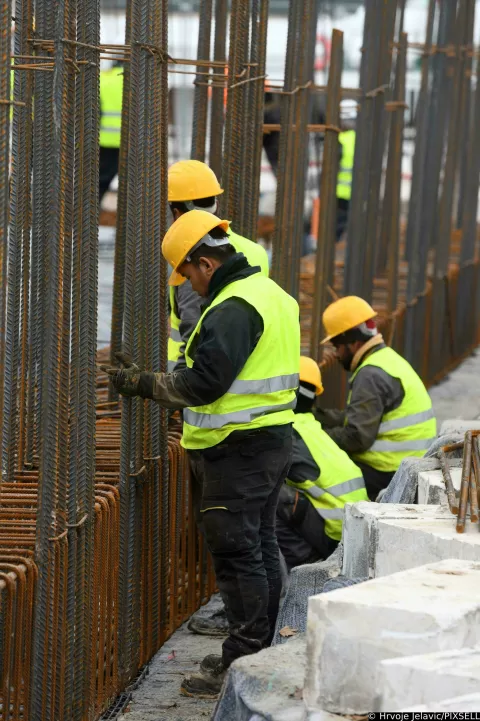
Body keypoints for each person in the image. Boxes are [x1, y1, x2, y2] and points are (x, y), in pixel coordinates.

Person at [101, 209, 300, 698]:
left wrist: (143, 384)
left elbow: (204, 384)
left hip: (239, 449)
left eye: (187, 272)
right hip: (268, 442)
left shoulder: (233, 307)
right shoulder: (270, 294)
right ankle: (262, 645)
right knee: (259, 545)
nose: (187, 283)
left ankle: (244, 661)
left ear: (206, 263)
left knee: (238, 553)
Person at [316, 296, 437, 500]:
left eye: (336, 345)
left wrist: (315, 438)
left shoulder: (370, 374)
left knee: (317, 472)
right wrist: (319, 417)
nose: (335, 354)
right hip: (410, 466)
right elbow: (361, 416)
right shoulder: (387, 360)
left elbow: (356, 437)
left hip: (390, 473)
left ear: (352, 342)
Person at [167, 159, 269, 372]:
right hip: (247, 370)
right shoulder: (254, 250)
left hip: (200, 383)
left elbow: (194, 332)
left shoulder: (193, 257)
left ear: (176, 212)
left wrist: (177, 388)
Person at [276, 356, 368, 569]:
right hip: (351, 528)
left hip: (336, 534)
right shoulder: (311, 428)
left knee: (268, 497)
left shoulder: (288, 434)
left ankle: (309, 565)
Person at [99, 63, 123, 204]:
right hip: (130, 142)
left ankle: (89, 217)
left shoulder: (103, 78)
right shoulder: (137, 80)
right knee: (133, 186)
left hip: (104, 140)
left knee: (100, 183)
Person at [336, 99, 356, 242]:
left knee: (336, 225)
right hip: (353, 191)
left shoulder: (338, 138)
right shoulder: (359, 138)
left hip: (338, 191)